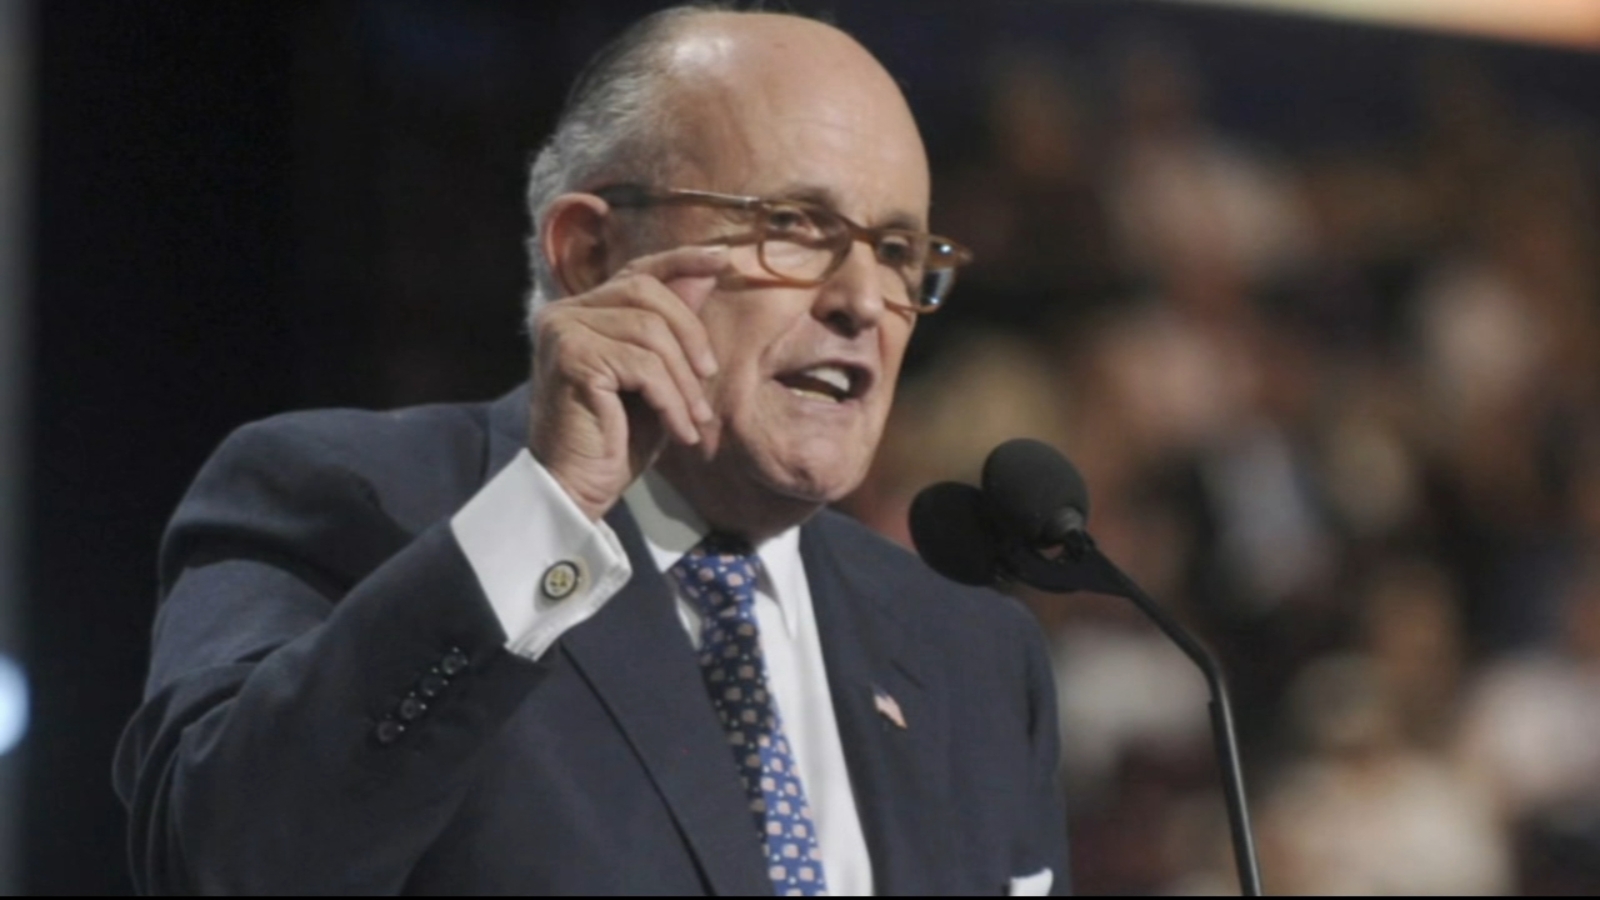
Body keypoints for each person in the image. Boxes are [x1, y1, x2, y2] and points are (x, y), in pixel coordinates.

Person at [114, 6, 1067, 895]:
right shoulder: (342, 500)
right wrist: (551, 514)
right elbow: (227, 859)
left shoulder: (976, 656)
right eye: (793, 226)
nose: (862, 300)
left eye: (897, 250)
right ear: (591, 255)